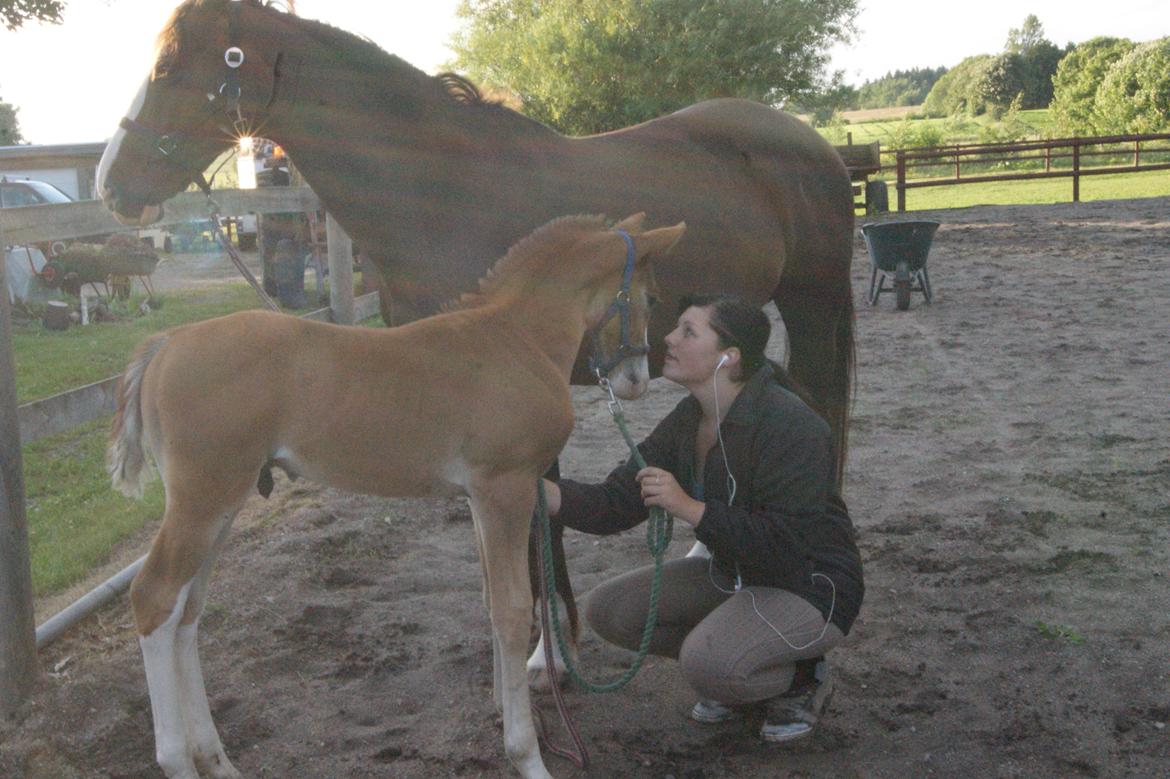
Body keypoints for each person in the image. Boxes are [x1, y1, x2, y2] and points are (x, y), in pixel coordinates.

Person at [541, 293, 864, 743]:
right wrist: (541, 493)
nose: (668, 339)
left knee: (707, 666)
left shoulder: (793, 425)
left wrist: (691, 509)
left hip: (809, 583)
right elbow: (616, 502)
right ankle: (740, 660)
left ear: (728, 358)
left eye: (688, 332)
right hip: (737, 572)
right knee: (610, 611)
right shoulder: (688, 419)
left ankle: (801, 679)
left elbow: (788, 540)